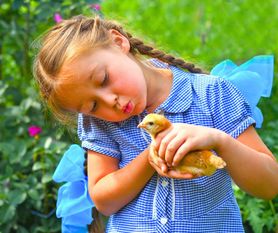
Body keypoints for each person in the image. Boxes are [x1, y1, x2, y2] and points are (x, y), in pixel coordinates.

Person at [33, 15, 278, 232]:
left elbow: (270, 184)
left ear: (119, 43)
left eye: (104, 79)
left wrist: (220, 141)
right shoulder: (99, 123)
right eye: (93, 106)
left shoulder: (211, 94)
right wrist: (149, 159)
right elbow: (104, 201)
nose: (110, 102)